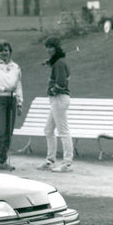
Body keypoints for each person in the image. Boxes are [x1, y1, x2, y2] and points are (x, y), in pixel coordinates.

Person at [0, 40, 23, 171]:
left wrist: (19, 103)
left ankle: (2, 160)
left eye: (6, 50)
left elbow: (18, 85)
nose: (4, 53)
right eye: (1, 51)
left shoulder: (15, 67)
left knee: (8, 132)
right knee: (0, 131)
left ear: (10, 51)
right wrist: (4, 88)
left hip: (11, 100)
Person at [38, 36, 73, 172]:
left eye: (51, 47)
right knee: (48, 130)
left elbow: (61, 83)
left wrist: (52, 90)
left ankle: (67, 163)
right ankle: (50, 160)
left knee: (63, 131)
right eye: (47, 47)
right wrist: (50, 62)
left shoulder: (59, 63)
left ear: (56, 48)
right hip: (57, 100)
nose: (48, 50)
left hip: (59, 98)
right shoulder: (58, 62)